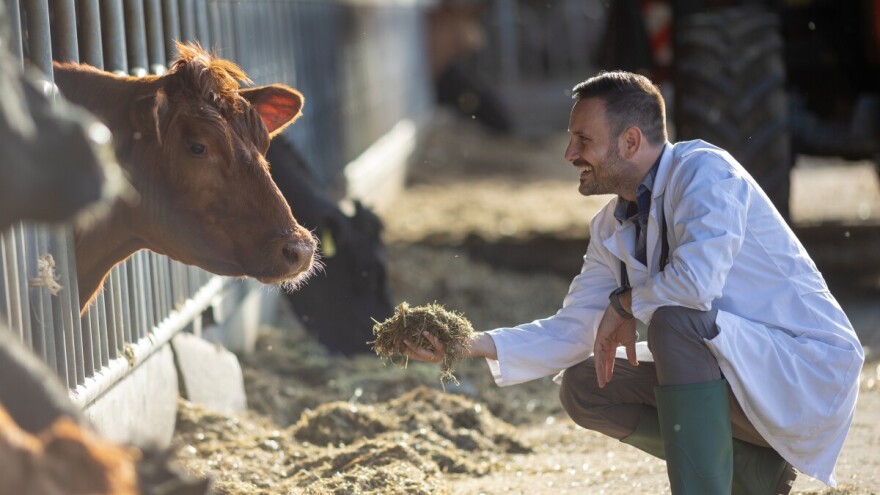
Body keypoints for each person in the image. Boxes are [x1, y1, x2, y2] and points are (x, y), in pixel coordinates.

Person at [405, 70, 864, 494]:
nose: (569, 154)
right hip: (742, 376)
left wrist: (624, 305)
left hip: (803, 373)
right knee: (585, 386)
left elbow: (695, 285)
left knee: (674, 322)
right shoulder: (610, 226)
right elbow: (574, 330)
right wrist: (468, 344)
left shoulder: (706, 173)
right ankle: (753, 473)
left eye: (583, 139)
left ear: (630, 141)